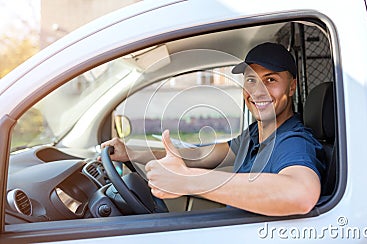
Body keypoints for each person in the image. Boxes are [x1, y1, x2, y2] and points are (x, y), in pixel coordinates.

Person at [101, 42, 325, 216]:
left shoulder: (294, 141)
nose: (258, 92)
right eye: (251, 80)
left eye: (270, 80)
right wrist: (131, 153)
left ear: (292, 86)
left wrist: (188, 180)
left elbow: (300, 194)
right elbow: (200, 155)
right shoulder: (255, 135)